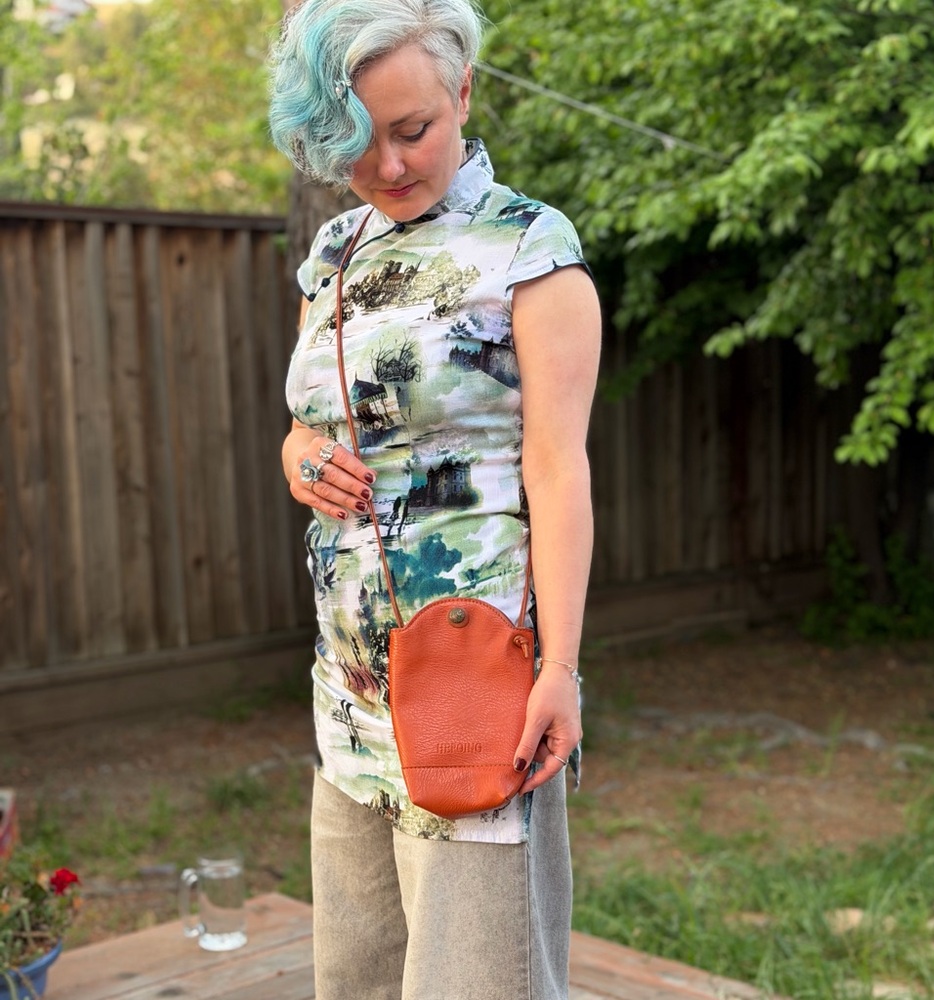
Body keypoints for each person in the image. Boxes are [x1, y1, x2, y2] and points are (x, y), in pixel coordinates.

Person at [268, 2, 601, 997]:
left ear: (462, 92)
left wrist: (563, 670)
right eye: (354, 143)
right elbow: (313, 423)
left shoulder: (528, 247)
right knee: (355, 982)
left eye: (411, 130)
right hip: (348, 691)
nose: (388, 166)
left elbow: (557, 467)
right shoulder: (332, 252)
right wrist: (298, 454)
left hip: (474, 685)